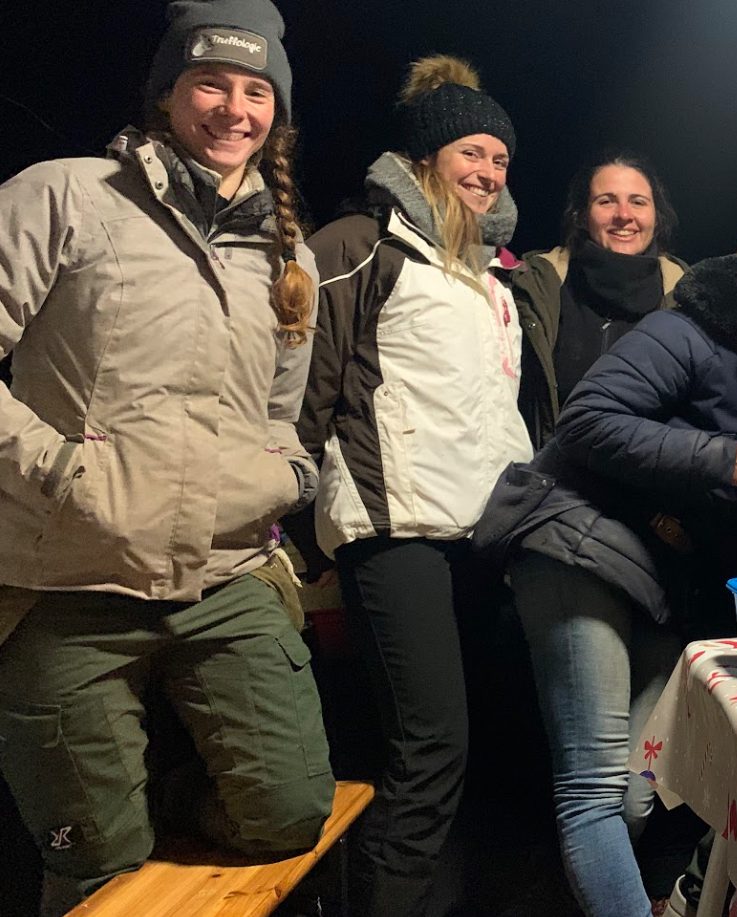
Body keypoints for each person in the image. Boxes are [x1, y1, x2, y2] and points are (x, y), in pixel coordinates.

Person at [0, 1, 333, 910]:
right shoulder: (65, 196)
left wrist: (279, 477)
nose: (234, 109)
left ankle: (148, 807)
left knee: (289, 813)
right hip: (66, 579)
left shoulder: (287, 254)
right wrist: (58, 471)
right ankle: (113, 834)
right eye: (210, 83)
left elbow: (281, 414)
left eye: (256, 91)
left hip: (225, 574)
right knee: (95, 867)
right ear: (166, 95)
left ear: (277, 112)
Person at [475, 230, 737, 916]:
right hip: (577, 539)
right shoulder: (695, 331)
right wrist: (722, 457)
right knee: (593, 788)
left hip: (659, 578)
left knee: (639, 788)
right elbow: (586, 419)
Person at [292, 55, 531, 916]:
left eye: (500, 158)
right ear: (425, 157)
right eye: (472, 152)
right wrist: (293, 528)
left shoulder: (488, 277)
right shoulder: (357, 246)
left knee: (466, 752)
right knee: (426, 750)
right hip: (394, 534)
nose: (489, 171)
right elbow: (304, 394)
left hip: (477, 538)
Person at [510, 152, 687, 448]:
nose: (624, 215)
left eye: (638, 202)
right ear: (581, 216)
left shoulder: (687, 297)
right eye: (606, 201)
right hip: (551, 472)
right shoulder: (537, 287)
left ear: (657, 218)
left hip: (652, 475)